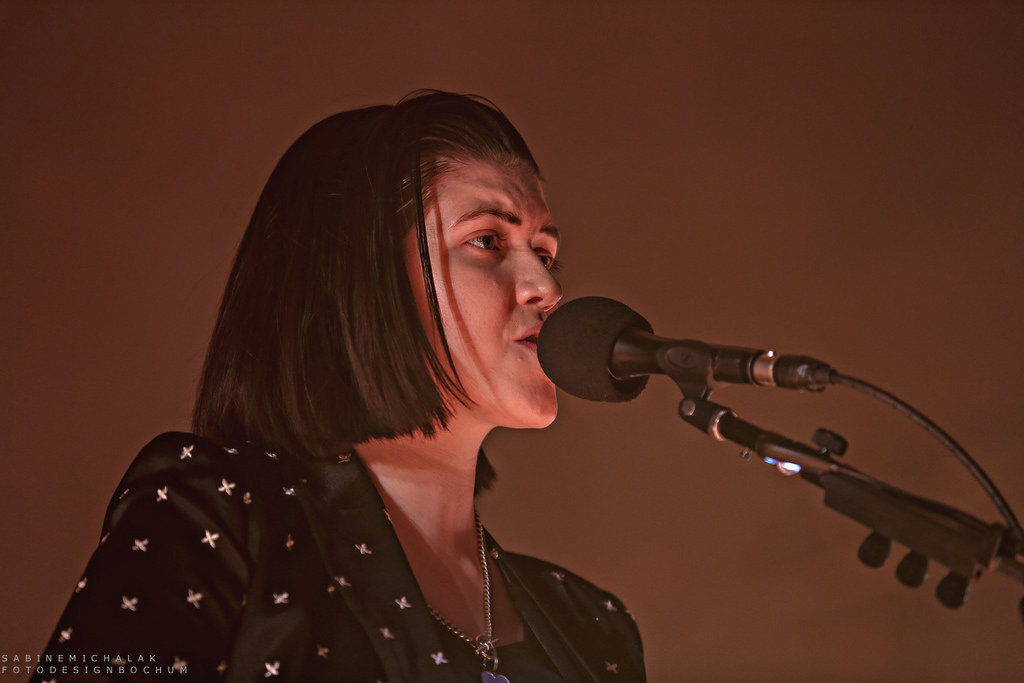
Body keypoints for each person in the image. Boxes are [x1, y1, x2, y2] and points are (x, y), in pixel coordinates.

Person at [30, 91, 645, 682]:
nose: (546, 287)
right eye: (487, 240)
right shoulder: (217, 519)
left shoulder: (592, 624)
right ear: (359, 279)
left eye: (545, 253)